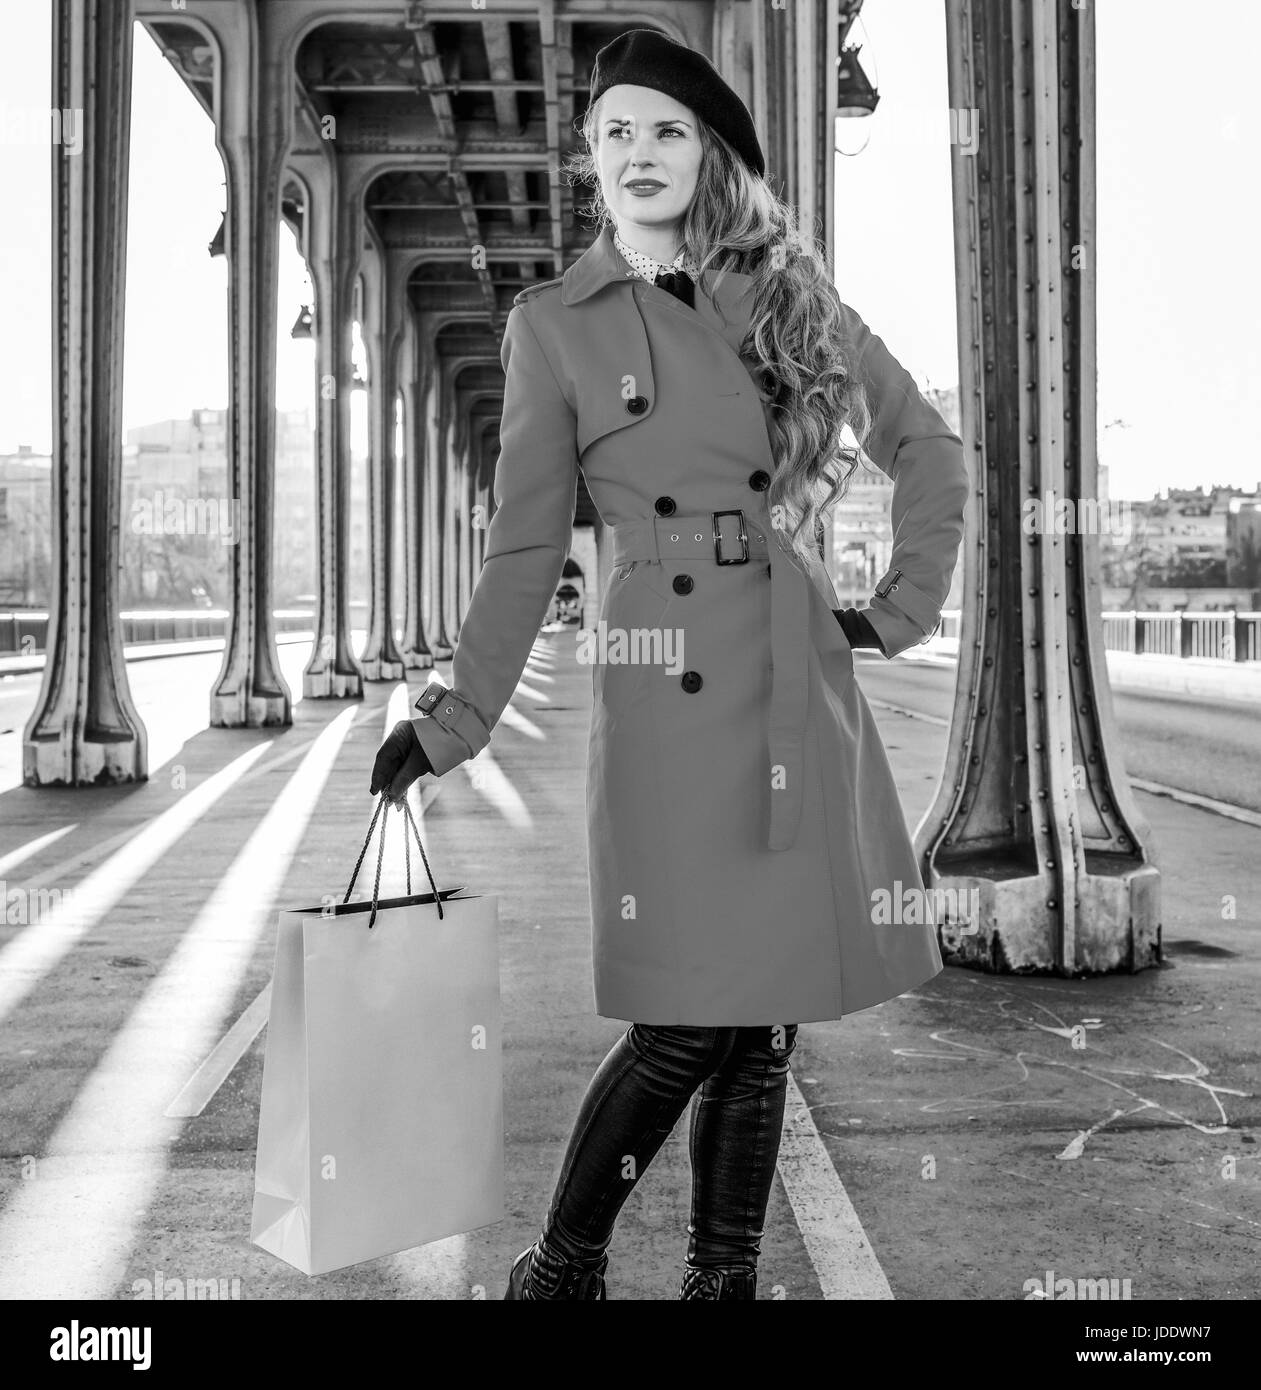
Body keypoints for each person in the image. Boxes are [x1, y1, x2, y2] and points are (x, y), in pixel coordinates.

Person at [370, 28, 970, 1300]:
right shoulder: (554, 326)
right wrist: (452, 714)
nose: (639, 154)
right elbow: (525, 546)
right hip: (662, 688)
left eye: (668, 131)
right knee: (687, 1017)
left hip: (788, 677)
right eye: (616, 134)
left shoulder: (790, 297)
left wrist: (897, 610)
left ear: (711, 156)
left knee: (762, 1023)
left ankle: (720, 1282)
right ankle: (564, 1268)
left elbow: (932, 448)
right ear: (590, 159)